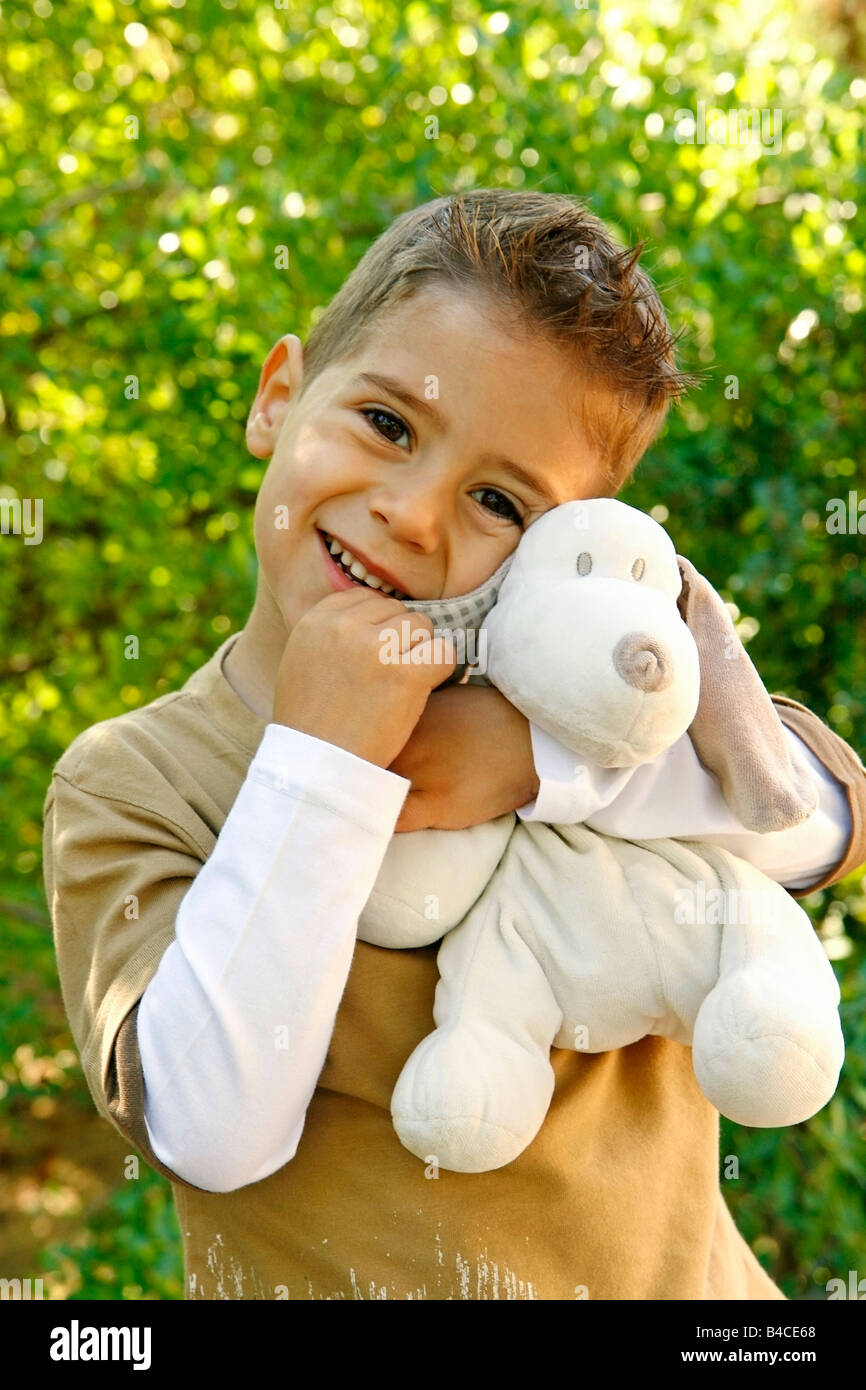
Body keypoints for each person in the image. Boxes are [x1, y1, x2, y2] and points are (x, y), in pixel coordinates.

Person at [43, 189, 866, 1300]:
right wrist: (323, 761)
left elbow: (819, 817)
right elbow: (208, 1127)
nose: (413, 514)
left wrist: (544, 765)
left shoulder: (579, 704)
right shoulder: (136, 780)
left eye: (496, 500)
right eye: (385, 424)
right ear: (277, 396)